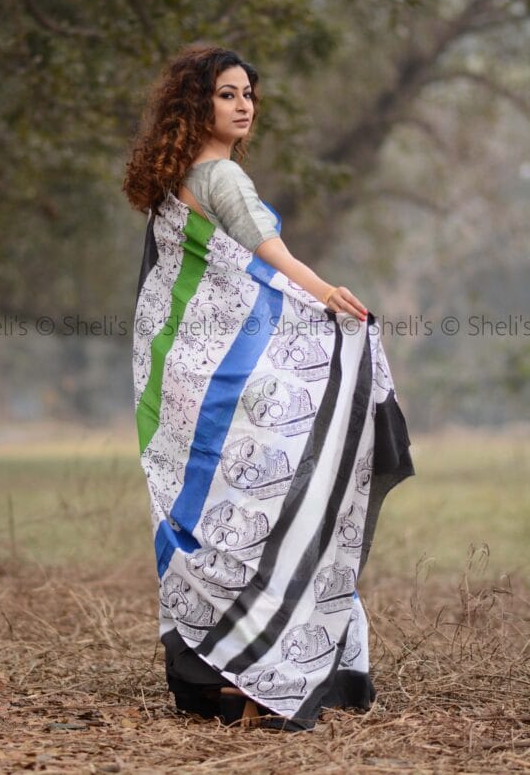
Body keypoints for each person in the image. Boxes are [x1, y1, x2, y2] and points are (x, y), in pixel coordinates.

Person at [124, 45, 415, 730]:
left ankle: (213, 676)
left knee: (207, 516)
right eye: (228, 93)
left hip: (189, 384)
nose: (245, 104)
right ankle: (261, 667)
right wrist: (332, 297)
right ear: (198, 104)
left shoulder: (171, 183)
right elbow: (267, 252)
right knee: (268, 513)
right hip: (230, 384)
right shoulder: (219, 176)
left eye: (249, 93)